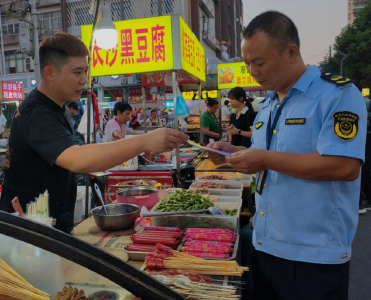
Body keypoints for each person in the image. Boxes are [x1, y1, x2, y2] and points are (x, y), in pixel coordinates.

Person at [207, 11, 366, 300]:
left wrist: (263, 158)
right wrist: (236, 153)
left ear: (291, 52)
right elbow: (270, 159)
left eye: (260, 62)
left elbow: (344, 166)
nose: (253, 71)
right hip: (265, 245)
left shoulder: (337, 95)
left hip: (313, 258)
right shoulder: (268, 104)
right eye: (248, 64)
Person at [0, 32, 188, 234]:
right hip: (27, 234)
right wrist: (144, 142)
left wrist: (82, 165)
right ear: (49, 73)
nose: (84, 80)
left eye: (85, 72)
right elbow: (77, 159)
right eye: (77, 73)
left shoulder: (58, 107)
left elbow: (67, 153)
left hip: (47, 227)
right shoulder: (37, 113)